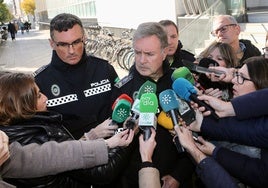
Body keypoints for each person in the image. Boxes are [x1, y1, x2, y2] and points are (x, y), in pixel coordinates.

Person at [0, 72, 134, 187]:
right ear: (22, 105)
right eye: (39, 95)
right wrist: (128, 134)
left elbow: (64, 152)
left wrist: (91, 136)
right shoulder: (44, 134)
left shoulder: (10, 132)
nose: (46, 98)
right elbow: (102, 172)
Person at [112, 22, 195, 188]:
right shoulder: (123, 89)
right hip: (134, 179)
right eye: (137, 52)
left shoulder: (179, 84)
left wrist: (178, 176)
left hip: (177, 176)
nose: (142, 60)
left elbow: (196, 134)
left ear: (164, 53)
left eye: (149, 54)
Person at [34, 13, 119, 139]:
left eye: (76, 42)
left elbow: (122, 106)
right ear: (52, 44)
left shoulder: (104, 69)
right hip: (71, 156)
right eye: (63, 44)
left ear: (84, 38)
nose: (72, 51)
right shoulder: (40, 82)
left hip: (115, 151)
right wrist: (89, 137)